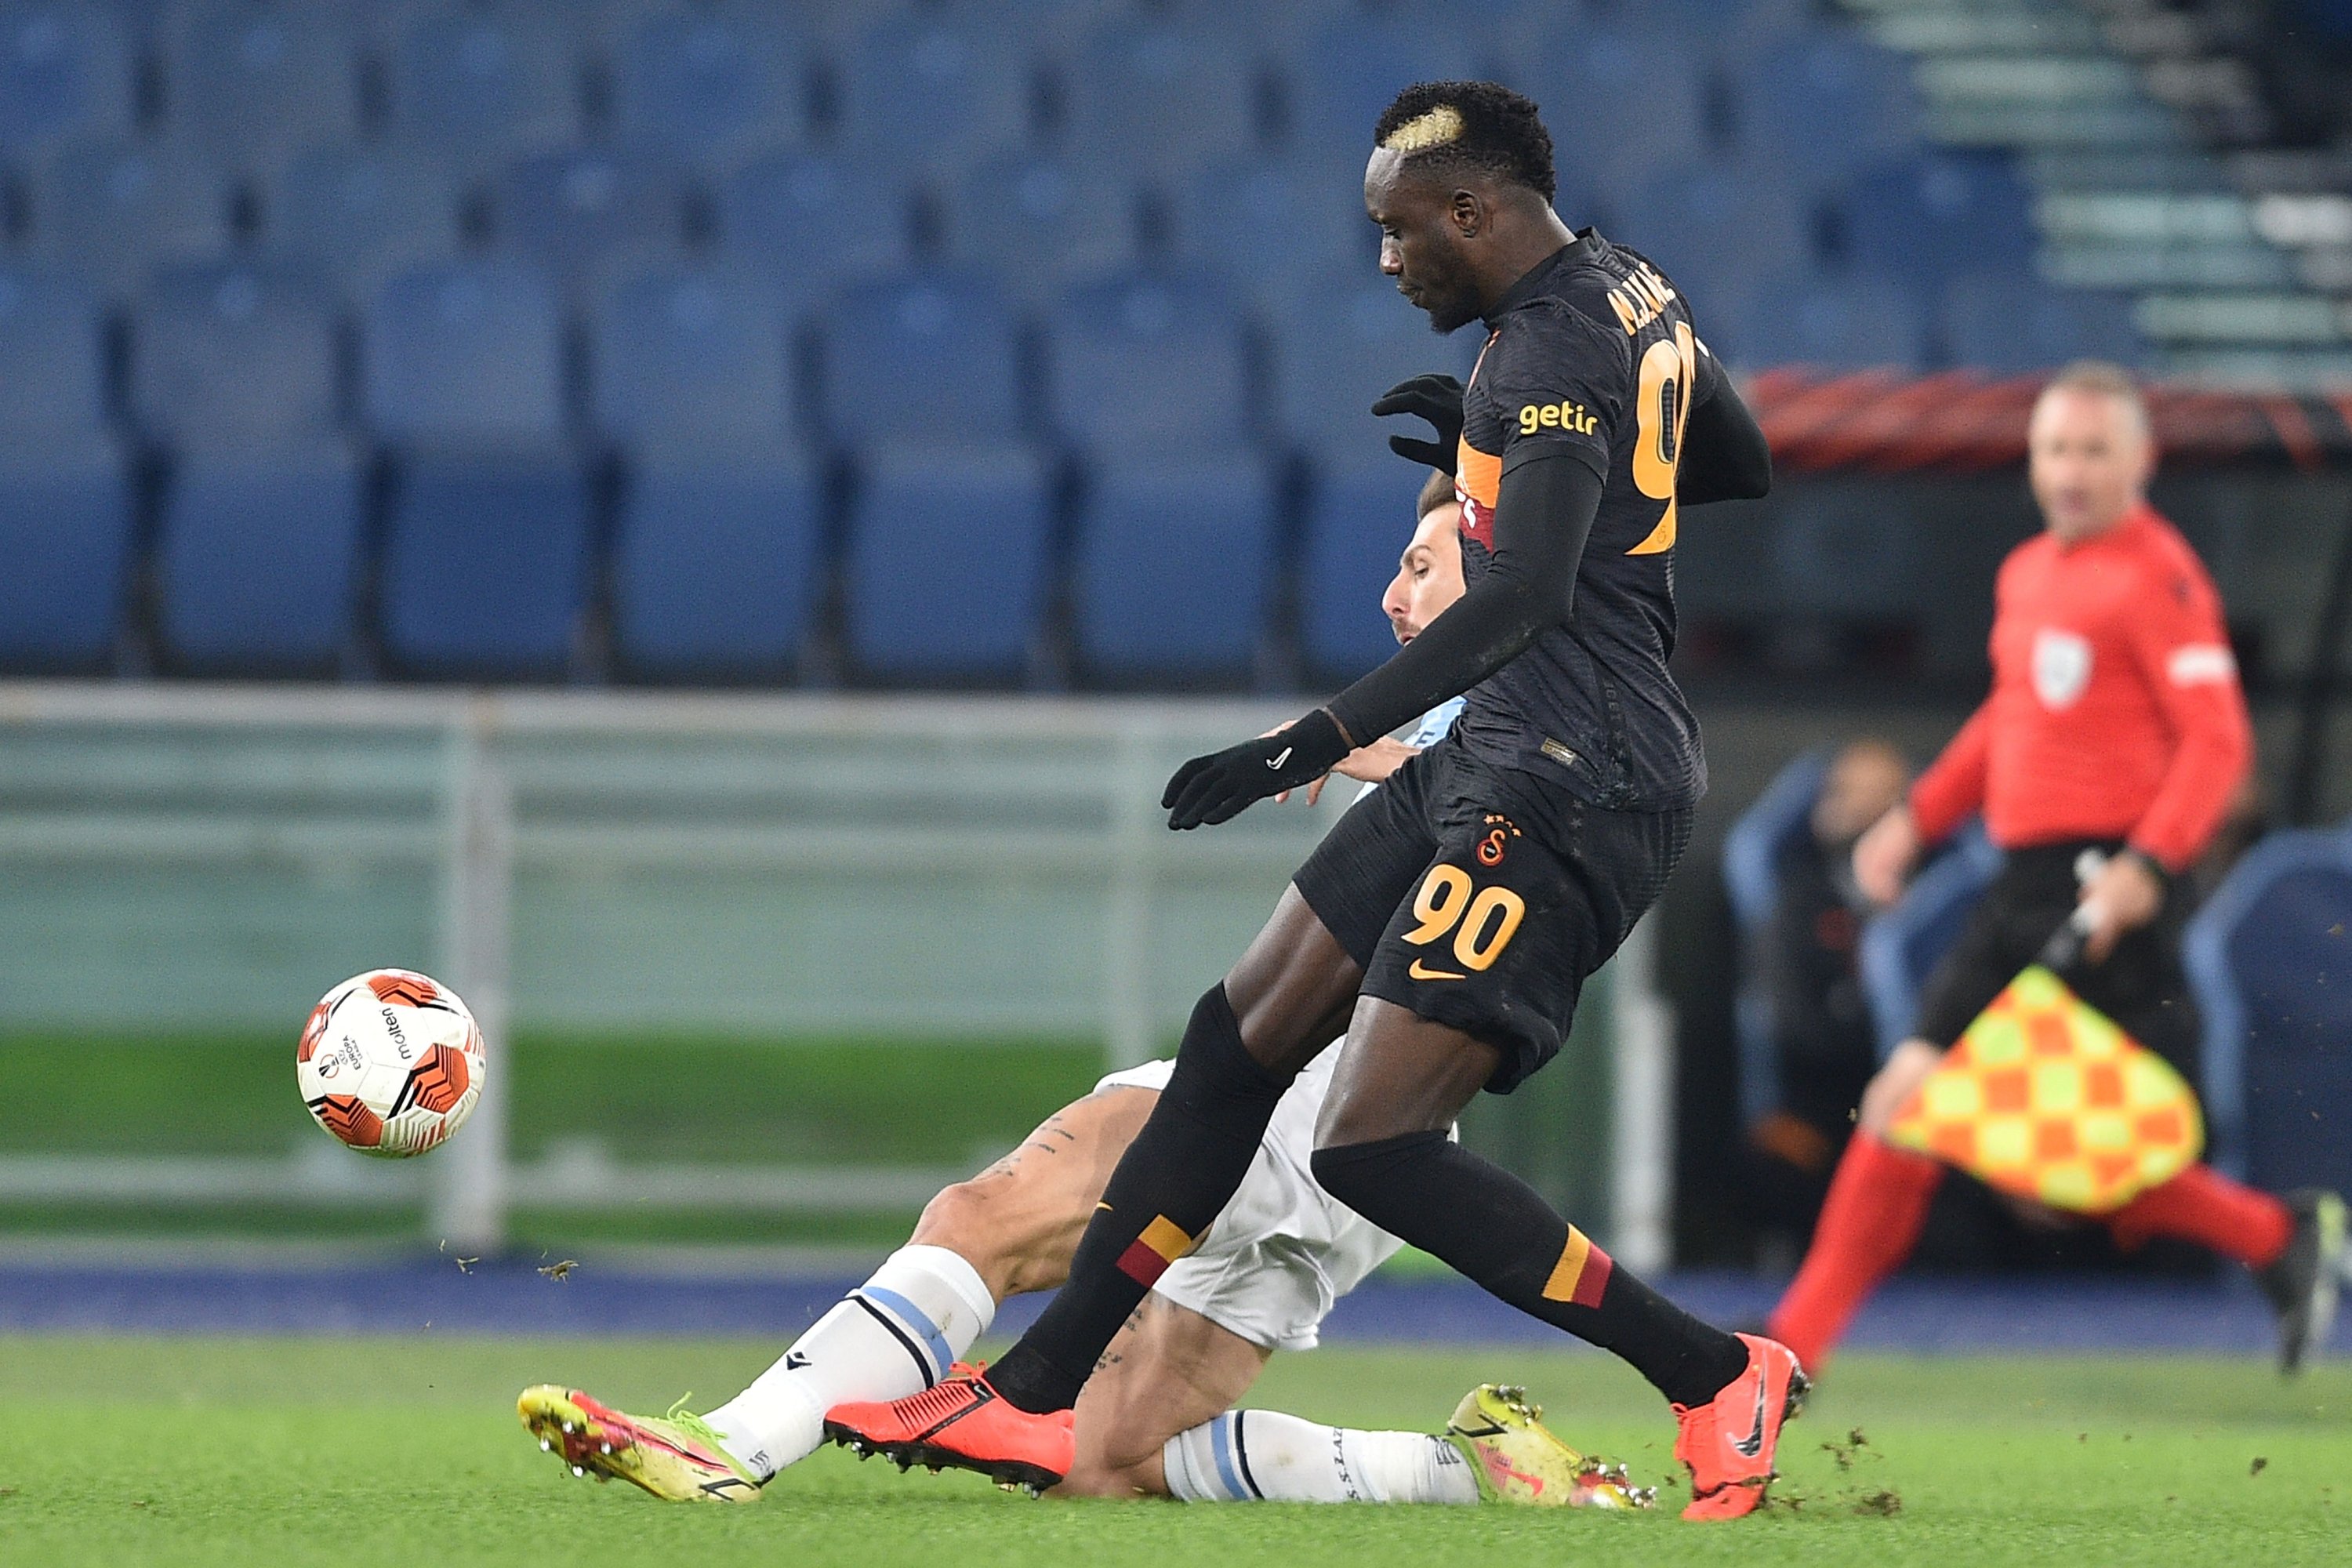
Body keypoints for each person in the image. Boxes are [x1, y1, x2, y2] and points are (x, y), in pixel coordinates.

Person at [829, 81, 1791, 1522]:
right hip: (1506, 754)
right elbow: (1733, 457)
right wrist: (1508, 471)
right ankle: (1034, 1397)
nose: (1390, 261)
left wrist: (1310, 739)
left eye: (1402, 233)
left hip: (1568, 773)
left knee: (1373, 1147)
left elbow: (1524, 594)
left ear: (1474, 213)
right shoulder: (1627, 287)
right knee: (1235, 1044)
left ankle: (1714, 1373)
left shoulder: (1541, 343)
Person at [517, 464, 1650, 1513]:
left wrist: (1353, 751)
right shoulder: (1497, 714)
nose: (1392, 595)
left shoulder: (1510, 714)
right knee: (1113, 1457)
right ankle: (1478, 1475)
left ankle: (729, 1445)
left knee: (984, 1218)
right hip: (1364, 1160)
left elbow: (1527, 805)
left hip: (1297, 1107)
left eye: (1419, 564)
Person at [1765, 361, 2347, 1374]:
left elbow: (2217, 745)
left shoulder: (2158, 576)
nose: (2072, 470)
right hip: (2019, 885)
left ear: (2140, 459)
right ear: (2031, 459)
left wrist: (2147, 868)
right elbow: (2010, 722)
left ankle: (1788, 1351)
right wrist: (1916, 821)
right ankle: (2275, 1238)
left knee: (1947, 1109)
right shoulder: (2029, 573)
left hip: (2098, 893)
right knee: (2022, 1148)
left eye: (2094, 450)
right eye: (2056, 449)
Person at [1743, 741, 1911, 1243]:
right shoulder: (1795, 891)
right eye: (1840, 792)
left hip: (1917, 1096)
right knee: (1780, 1165)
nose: (1848, 807)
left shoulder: (1933, 896)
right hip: (1819, 1093)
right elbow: (1791, 1021)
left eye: (1871, 797)